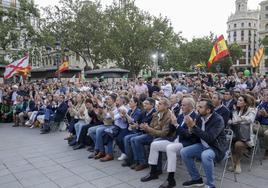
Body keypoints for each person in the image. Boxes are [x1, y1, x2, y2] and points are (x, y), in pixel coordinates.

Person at [141, 97, 199, 188]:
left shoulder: (195, 117)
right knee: (154, 144)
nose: (181, 107)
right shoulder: (181, 115)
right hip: (175, 140)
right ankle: (153, 172)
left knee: (170, 148)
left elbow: (189, 136)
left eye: (184, 105)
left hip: (186, 143)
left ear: (191, 107)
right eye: (181, 105)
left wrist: (176, 124)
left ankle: (171, 179)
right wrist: (172, 123)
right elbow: (172, 130)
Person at [180, 99, 227, 188]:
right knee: (184, 152)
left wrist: (193, 126)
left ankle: (210, 184)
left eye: (200, 107)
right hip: (202, 144)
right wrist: (190, 129)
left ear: (208, 110)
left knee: (205, 155)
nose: (197, 109)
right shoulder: (199, 117)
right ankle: (196, 179)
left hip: (216, 147)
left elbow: (210, 138)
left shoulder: (218, 120)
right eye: (198, 106)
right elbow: (195, 134)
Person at [229, 94, 256, 173]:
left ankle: (237, 164)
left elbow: (250, 119)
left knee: (238, 144)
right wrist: (237, 120)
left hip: (246, 137)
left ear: (245, 103)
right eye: (238, 100)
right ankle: (235, 163)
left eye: (240, 100)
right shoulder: (235, 111)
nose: (238, 101)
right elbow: (233, 122)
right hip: (236, 135)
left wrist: (239, 119)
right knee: (231, 142)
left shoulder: (252, 110)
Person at [255, 90, 268, 160]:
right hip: (262, 125)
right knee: (250, 128)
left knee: (266, 134)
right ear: (263, 97)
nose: (267, 97)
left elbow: (265, 116)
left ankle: (267, 150)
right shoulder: (261, 105)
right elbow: (257, 119)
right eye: (266, 95)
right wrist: (259, 115)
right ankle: (248, 147)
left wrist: (266, 115)